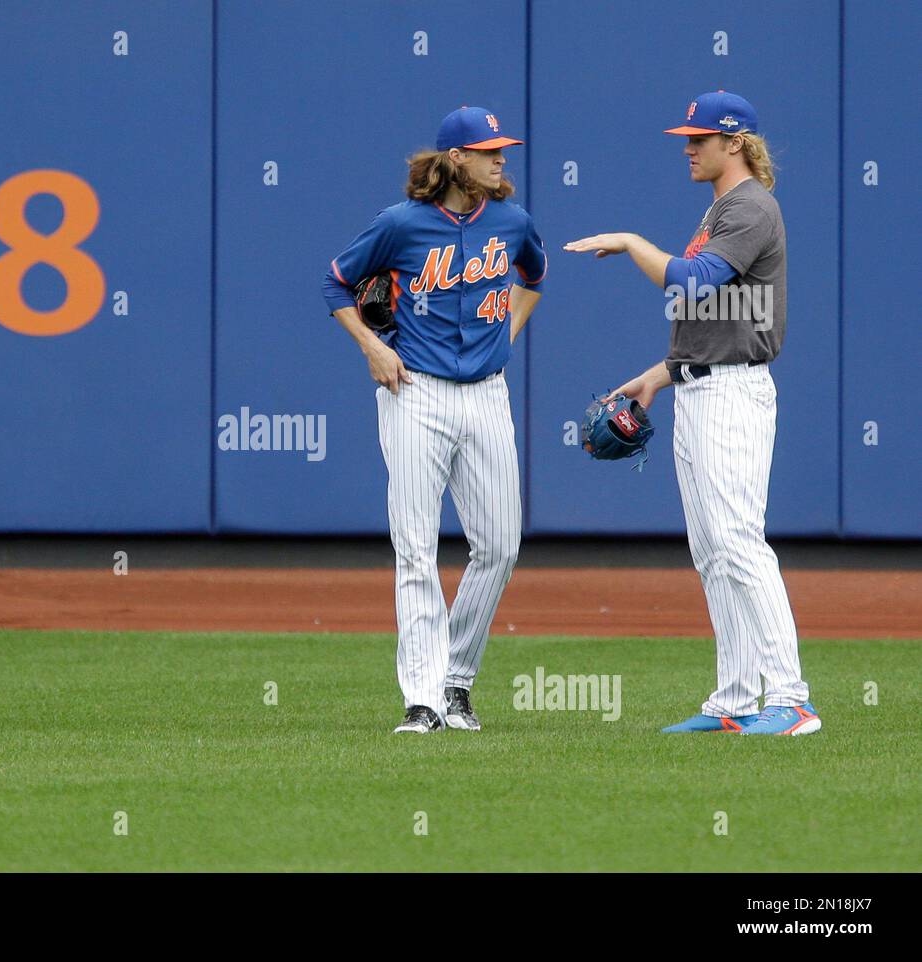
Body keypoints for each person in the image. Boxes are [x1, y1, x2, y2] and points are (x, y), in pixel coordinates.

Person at [564, 91, 820, 736]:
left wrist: (629, 241)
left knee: (739, 542)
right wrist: (661, 375)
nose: (688, 146)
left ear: (735, 142)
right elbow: (716, 317)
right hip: (702, 388)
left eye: (700, 137)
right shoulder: (721, 208)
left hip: (733, 394)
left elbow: (691, 282)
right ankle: (735, 701)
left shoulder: (752, 206)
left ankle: (791, 700)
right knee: (712, 551)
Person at [323, 106, 547, 734]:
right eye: (489, 151)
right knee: (417, 548)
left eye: (503, 150)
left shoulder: (512, 220)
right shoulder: (399, 225)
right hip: (414, 392)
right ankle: (423, 699)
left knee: (500, 545)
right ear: (457, 159)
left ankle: (456, 681)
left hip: (486, 395)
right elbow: (337, 283)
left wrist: (508, 332)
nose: (502, 160)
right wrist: (373, 345)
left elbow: (534, 275)